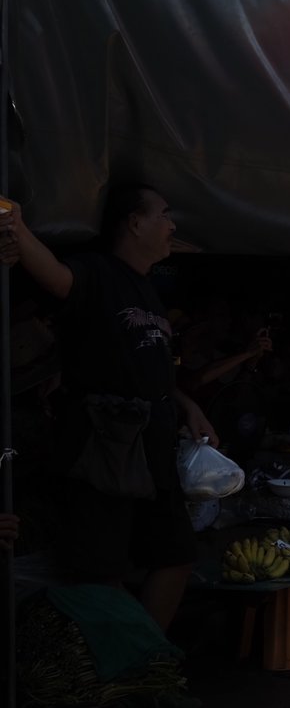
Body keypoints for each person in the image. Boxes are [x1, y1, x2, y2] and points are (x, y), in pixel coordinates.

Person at [0, 185, 215, 630]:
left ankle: (147, 656)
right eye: (164, 214)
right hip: (106, 447)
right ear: (134, 223)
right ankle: (124, 660)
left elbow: (144, 363)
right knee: (101, 568)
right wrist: (17, 227)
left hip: (154, 447)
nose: (172, 225)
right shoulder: (99, 273)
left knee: (176, 554)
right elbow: (57, 277)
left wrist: (186, 404)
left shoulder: (149, 291)